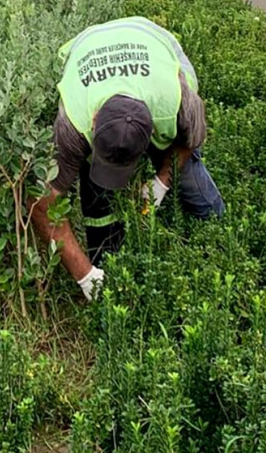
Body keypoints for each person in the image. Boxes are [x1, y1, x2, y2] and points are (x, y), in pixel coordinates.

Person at [28, 16, 226, 298]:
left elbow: (189, 141)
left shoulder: (177, 98)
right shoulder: (74, 120)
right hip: (91, 44)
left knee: (189, 177)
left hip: (152, 41)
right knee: (95, 190)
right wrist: (84, 275)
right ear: (94, 122)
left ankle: (218, 231)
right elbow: (42, 200)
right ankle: (103, 258)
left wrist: (162, 181)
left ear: (153, 132)